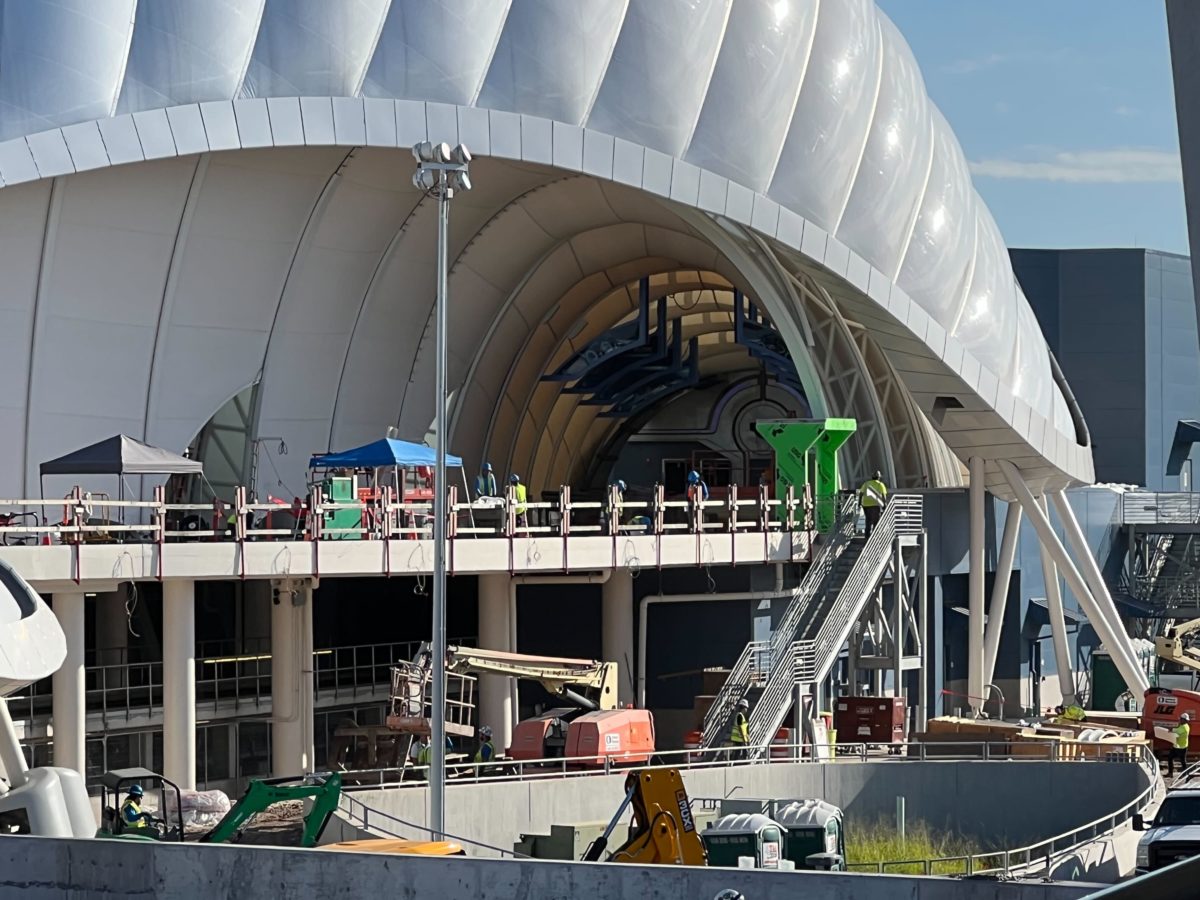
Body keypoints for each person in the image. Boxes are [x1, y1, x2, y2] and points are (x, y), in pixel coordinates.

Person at [857, 470, 888, 538]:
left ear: (872, 477)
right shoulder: (880, 484)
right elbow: (883, 496)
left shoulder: (866, 484)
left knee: (868, 520)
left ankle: (867, 535)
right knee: (876, 521)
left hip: (866, 504)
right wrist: (885, 505)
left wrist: (859, 503)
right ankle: (874, 537)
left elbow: (861, 493)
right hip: (876, 504)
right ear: (879, 477)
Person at [1169, 712, 1191, 777]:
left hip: (1181, 747)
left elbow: (1177, 731)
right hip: (1177, 746)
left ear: (1184, 720)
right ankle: (1171, 773)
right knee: (1170, 758)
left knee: (1183, 761)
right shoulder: (1183, 725)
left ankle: (1186, 774)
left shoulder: (1184, 727)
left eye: (1181, 719)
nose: (1180, 720)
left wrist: (1171, 729)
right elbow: (1178, 730)